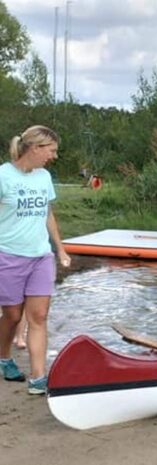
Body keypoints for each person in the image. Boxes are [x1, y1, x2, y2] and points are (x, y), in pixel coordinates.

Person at [0, 125, 71, 395]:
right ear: (35, 148)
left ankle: (38, 378)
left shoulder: (44, 177)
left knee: (39, 316)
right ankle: (4, 358)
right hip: (7, 255)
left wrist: (60, 249)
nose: (53, 156)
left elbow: (47, 214)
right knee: (13, 315)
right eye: (51, 150)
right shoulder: (3, 176)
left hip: (41, 256)